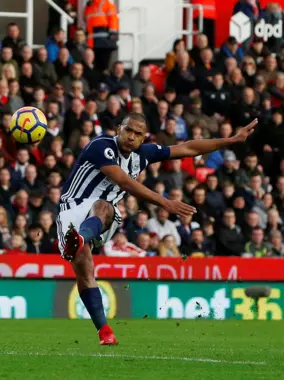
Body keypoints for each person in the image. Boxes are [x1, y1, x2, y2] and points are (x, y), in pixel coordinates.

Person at [56, 112, 257, 345]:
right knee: (84, 265)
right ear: (119, 128)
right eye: (128, 130)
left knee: (103, 206)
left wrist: (230, 140)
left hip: (101, 214)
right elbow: (124, 182)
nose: (131, 137)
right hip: (72, 207)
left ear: (144, 138)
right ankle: (105, 331)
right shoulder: (101, 146)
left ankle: (80, 238)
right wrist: (166, 203)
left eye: (138, 134)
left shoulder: (144, 154)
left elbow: (189, 148)